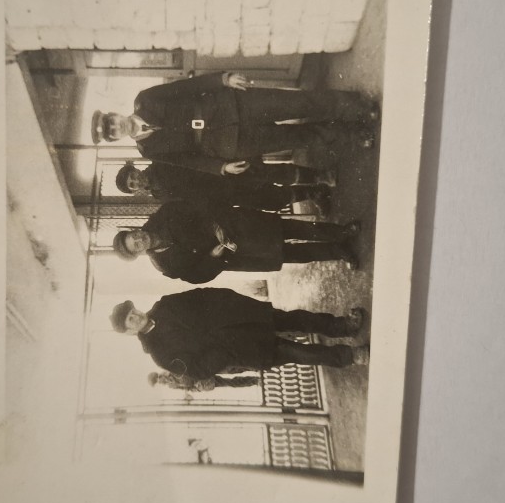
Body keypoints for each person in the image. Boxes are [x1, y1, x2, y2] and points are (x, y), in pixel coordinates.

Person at [90, 71, 378, 176]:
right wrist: (220, 167)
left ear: (115, 114)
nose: (118, 127)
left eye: (112, 122)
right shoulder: (148, 151)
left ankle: (358, 107)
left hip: (231, 105)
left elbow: (185, 87)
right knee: (299, 137)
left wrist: (222, 80)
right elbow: (188, 161)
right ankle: (354, 134)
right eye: (112, 133)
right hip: (230, 144)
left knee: (298, 104)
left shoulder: (145, 100)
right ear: (115, 139)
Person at [110, 288, 369, 384]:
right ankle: (351, 356)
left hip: (243, 318)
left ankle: (345, 326)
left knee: (297, 319)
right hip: (241, 350)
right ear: (131, 332)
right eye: (130, 320)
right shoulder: (160, 354)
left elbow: (203, 296)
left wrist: (233, 302)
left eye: (132, 312)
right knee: (299, 353)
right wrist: (223, 352)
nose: (136, 316)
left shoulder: (165, 305)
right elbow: (198, 371)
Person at [112, 200, 361, 283]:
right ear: (139, 253)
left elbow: (197, 204)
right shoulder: (164, 265)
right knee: (291, 254)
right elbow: (196, 276)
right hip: (236, 253)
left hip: (235, 224)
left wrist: (215, 225)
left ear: (134, 230)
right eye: (136, 245)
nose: (139, 239)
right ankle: (339, 252)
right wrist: (214, 257)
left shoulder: (162, 215)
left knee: (292, 228)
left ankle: (341, 232)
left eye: (134, 236)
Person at [114, 160, 333, 215]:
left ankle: (319, 175)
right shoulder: (158, 195)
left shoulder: (160, 164)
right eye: (132, 185)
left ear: (135, 169)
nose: (136, 181)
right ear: (135, 191)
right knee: (270, 199)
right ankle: (314, 193)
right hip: (224, 196)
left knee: (270, 174)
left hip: (222, 174)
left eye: (132, 176)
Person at [148, 370, 261, 392]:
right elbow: (188, 388)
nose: (160, 383)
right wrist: (197, 389)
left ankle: (255, 368)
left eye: (158, 381)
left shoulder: (172, 371)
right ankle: (256, 381)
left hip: (204, 371)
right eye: (158, 384)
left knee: (231, 369)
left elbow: (188, 369)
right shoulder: (171, 386)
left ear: (159, 376)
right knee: (231, 383)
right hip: (204, 383)